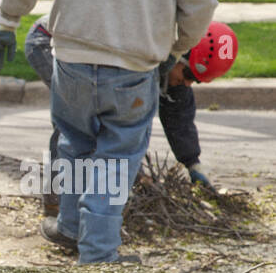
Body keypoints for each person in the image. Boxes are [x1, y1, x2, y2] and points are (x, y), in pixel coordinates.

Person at [0, 0, 217, 264]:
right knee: (115, 158)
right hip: (132, 67)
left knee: (73, 144)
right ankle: (98, 257)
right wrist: (176, 48)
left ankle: (70, 228)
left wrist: (7, 19)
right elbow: (200, 5)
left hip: (72, 59)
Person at [24, 15, 222, 221]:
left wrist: (192, 163)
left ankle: (87, 200)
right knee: (75, 118)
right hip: (51, 41)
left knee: (89, 117)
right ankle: (57, 201)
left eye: (196, 81)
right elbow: (121, 119)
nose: (188, 83)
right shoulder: (148, 50)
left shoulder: (171, 66)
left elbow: (178, 115)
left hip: (94, 51)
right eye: (189, 75)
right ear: (179, 57)